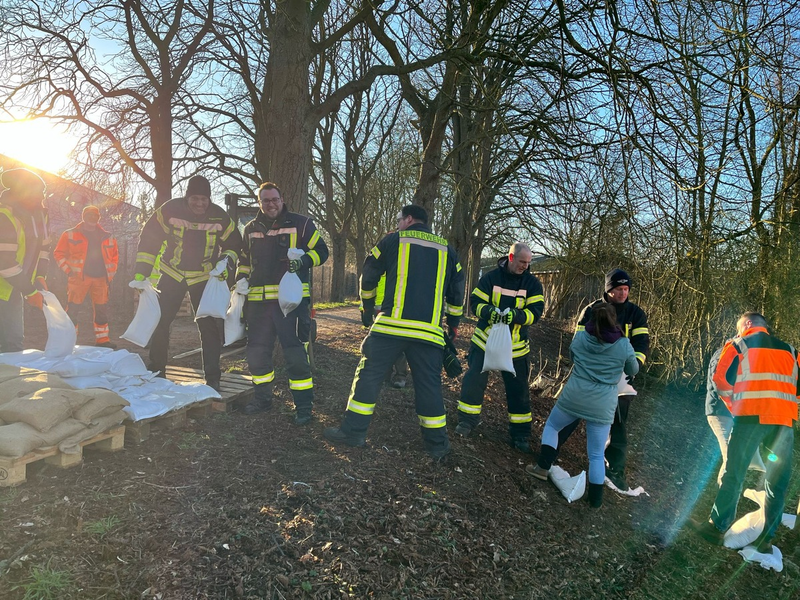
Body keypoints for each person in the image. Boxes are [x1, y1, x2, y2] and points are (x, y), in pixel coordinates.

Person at [324, 204, 464, 459]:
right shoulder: (448, 250)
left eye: (399, 219)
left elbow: (368, 276)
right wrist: (453, 324)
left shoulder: (392, 241)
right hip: (428, 333)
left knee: (369, 376)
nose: (398, 224)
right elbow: (456, 293)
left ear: (409, 219)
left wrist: (367, 308)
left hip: (389, 328)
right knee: (429, 387)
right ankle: (437, 446)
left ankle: (353, 432)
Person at [691, 312, 800, 555]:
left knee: (735, 472)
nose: (738, 331)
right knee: (777, 483)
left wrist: (734, 405)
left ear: (748, 324)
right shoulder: (791, 352)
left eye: (739, 327)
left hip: (750, 419)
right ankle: (766, 540)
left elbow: (720, 381)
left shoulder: (738, 345)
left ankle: (717, 527)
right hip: (783, 424)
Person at [132, 175, 242, 391]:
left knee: (209, 326)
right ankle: (156, 371)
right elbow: (149, 240)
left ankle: (213, 378)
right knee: (160, 321)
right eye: (194, 199)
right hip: (172, 273)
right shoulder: (169, 210)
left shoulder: (220, 216)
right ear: (187, 197)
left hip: (203, 277)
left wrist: (225, 263)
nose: (199, 203)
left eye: (204, 199)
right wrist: (141, 272)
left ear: (209, 199)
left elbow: (234, 244)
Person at [526, 303, 638, 508]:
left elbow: (573, 357)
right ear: (614, 320)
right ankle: (595, 500)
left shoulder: (581, 337)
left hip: (575, 396)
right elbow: (633, 369)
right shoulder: (623, 344)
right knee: (596, 454)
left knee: (553, 426)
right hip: (602, 404)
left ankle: (542, 467)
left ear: (592, 319)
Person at [237, 182, 329, 423]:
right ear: (259, 203)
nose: (271, 204)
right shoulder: (250, 229)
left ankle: (304, 408)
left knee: (296, 356)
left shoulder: (302, 223)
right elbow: (244, 260)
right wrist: (240, 279)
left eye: (275, 199)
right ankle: (262, 400)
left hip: (291, 306)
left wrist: (303, 261)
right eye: (266, 200)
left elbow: (322, 251)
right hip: (258, 306)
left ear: (282, 199)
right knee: (257, 354)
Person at [563, 268, 649, 490]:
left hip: (622, 380)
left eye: (626, 289)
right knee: (572, 412)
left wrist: (634, 368)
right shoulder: (591, 310)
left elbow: (642, 345)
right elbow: (578, 342)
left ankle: (615, 470)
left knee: (618, 423)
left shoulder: (636, 314)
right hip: (589, 376)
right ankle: (551, 453)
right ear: (608, 290)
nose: (623, 293)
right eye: (619, 289)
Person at [455, 242, 544, 453]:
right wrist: (488, 312)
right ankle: (466, 421)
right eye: (522, 262)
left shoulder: (532, 284)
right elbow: (475, 303)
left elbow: (536, 312)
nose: (525, 266)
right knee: (473, 382)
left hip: (516, 348)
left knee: (518, 391)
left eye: (528, 262)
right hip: (484, 342)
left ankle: (520, 434)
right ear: (511, 257)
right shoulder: (491, 278)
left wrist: (517, 316)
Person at [53, 205, 119, 347]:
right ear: (83, 216)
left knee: (101, 311)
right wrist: (69, 271)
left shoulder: (108, 236)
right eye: (89, 215)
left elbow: (114, 257)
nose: (92, 218)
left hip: (101, 279)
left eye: (95, 215)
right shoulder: (70, 234)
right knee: (73, 309)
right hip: (79, 279)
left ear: (98, 218)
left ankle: (103, 341)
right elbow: (58, 253)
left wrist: (110, 274)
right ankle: (68, 340)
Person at [0, 168, 49, 352]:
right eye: (36, 193)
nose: (40, 198)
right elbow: (5, 263)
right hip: (5, 285)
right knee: (12, 343)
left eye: (42, 193)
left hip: (13, 286)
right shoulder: (4, 216)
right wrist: (30, 291)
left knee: (12, 342)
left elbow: (43, 249)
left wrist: (40, 275)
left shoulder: (39, 216)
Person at [705, 341, 766, 486]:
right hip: (720, 412)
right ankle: (724, 493)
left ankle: (729, 492)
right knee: (731, 456)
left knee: (734, 455)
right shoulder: (726, 354)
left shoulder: (742, 356)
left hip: (734, 413)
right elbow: (719, 384)